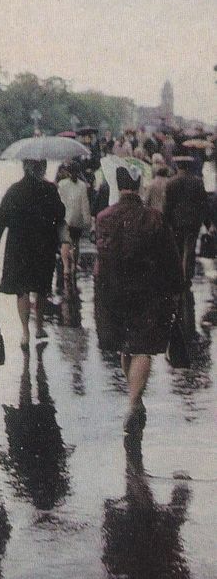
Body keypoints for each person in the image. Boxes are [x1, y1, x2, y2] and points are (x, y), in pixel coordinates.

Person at [95, 166, 183, 435]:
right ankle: (134, 401)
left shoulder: (104, 217)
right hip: (148, 292)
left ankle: (135, 397)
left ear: (118, 185)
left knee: (126, 346)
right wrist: (177, 287)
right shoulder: (154, 218)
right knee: (143, 348)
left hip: (114, 291)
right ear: (139, 184)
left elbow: (101, 255)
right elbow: (171, 255)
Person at [0, 158, 65, 349]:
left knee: (22, 289)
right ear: (42, 168)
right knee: (41, 287)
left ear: (24, 167)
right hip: (43, 245)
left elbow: (2, 214)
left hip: (19, 246)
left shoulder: (15, 190)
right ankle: (39, 326)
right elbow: (60, 214)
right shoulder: (50, 189)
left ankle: (25, 331)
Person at [163, 156, 209, 285]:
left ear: (178, 166)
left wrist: (165, 221)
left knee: (178, 248)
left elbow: (167, 205)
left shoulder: (171, 182)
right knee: (190, 248)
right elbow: (203, 203)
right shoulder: (198, 182)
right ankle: (187, 275)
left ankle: (178, 274)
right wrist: (207, 223)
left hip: (176, 222)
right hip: (193, 222)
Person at [57, 160, 91, 286]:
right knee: (75, 243)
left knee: (65, 243)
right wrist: (87, 220)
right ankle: (74, 266)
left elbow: (59, 201)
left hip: (64, 219)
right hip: (77, 219)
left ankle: (66, 267)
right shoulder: (82, 185)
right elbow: (85, 204)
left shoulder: (62, 184)